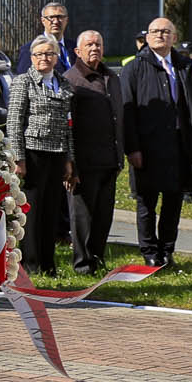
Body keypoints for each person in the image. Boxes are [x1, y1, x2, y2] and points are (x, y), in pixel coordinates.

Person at [119, 17, 192, 268]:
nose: (160, 35)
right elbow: (127, 112)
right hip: (148, 147)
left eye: (165, 31)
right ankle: (149, 250)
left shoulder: (185, 67)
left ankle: (167, 249)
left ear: (174, 38)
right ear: (146, 37)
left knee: (174, 200)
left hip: (180, 145)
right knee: (146, 202)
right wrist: (132, 148)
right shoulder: (134, 68)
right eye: (155, 31)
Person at [5, 36, 76, 276]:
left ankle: (48, 263)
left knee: (51, 210)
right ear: (32, 58)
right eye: (39, 54)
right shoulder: (23, 82)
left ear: (57, 58)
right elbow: (14, 121)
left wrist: (69, 159)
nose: (44, 58)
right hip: (32, 154)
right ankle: (31, 263)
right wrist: (18, 158)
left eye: (49, 54)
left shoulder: (64, 84)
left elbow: (68, 126)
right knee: (32, 211)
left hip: (57, 153)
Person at [63, 31, 126, 275]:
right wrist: (70, 165)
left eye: (98, 44)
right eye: (88, 44)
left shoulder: (111, 77)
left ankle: (97, 258)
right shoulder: (71, 80)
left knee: (103, 215)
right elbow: (67, 127)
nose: (94, 48)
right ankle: (82, 264)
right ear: (77, 51)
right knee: (82, 217)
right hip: (84, 163)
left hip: (109, 160)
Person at [15, 1, 74, 74]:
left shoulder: (75, 47)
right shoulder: (30, 49)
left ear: (67, 20)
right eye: (51, 17)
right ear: (43, 21)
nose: (56, 21)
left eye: (60, 17)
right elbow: (23, 78)